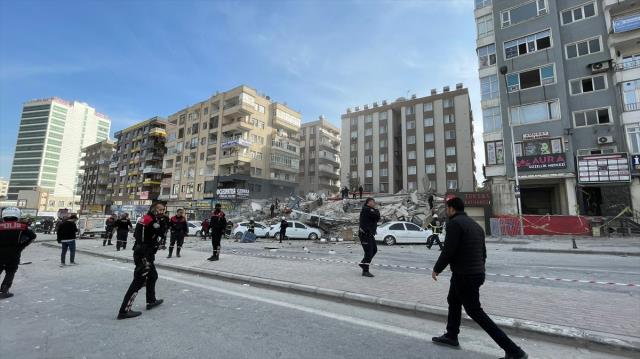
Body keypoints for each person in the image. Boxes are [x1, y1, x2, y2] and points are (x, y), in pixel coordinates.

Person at [431, 197, 527, 359]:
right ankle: (451, 335)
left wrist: (436, 269)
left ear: (452, 209)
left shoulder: (454, 224)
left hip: (465, 275)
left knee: (475, 311)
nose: (446, 212)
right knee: (453, 300)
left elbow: (449, 250)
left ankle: (514, 351)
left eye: (446, 208)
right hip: (473, 273)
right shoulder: (475, 225)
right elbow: (483, 253)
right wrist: (478, 270)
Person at [117, 202, 165, 320]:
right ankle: (124, 311)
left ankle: (151, 300)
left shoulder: (146, 218)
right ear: (153, 209)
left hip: (144, 252)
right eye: (160, 209)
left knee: (153, 276)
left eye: (163, 210)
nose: (162, 212)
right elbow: (160, 232)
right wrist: (163, 222)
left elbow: (145, 236)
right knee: (138, 282)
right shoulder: (150, 220)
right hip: (144, 254)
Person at [0, 207, 36, 298]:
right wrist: (22, 246)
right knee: (11, 271)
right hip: (14, 252)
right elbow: (32, 236)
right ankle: (4, 290)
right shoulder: (22, 226)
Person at [358, 198, 380, 277]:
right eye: (373, 202)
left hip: (370, 234)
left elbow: (377, 218)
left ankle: (363, 263)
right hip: (365, 235)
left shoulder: (371, 210)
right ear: (369, 202)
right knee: (368, 252)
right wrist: (376, 210)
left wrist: (376, 211)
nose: (374, 204)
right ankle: (365, 271)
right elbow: (377, 215)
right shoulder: (366, 209)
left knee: (374, 250)